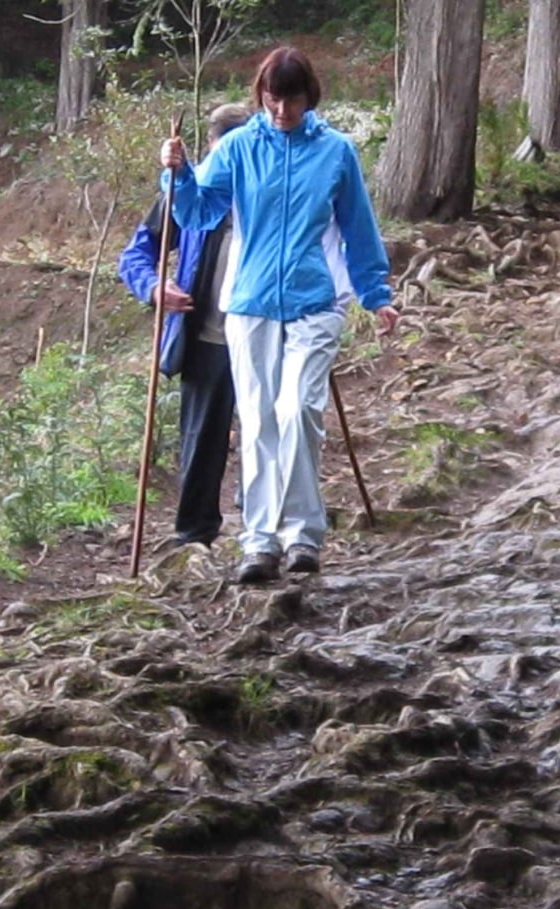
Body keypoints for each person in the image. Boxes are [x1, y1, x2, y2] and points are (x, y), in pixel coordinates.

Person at [158, 47, 398, 585]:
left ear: (308, 97)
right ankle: (261, 541)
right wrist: (177, 174)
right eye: (271, 100)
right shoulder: (241, 147)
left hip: (313, 303)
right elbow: (199, 211)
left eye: (290, 100)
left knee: (298, 412)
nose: (280, 111)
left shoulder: (335, 152)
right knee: (261, 420)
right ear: (260, 96)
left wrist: (375, 294)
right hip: (250, 304)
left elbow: (359, 229)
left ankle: (303, 535)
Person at [119, 104, 252, 550]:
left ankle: (260, 528)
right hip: (206, 335)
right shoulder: (184, 193)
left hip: (264, 329)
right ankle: (194, 535)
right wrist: (156, 288)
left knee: (265, 430)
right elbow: (135, 256)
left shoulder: (270, 192)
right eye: (218, 153)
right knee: (200, 438)